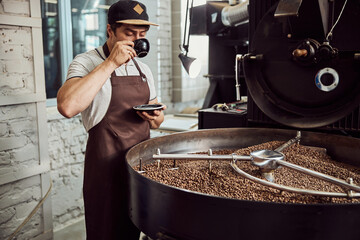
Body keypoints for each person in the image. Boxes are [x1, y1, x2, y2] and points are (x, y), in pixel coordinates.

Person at [57, 1, 165, 239]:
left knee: (136, 230)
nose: (136, 40)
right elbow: (67, 106)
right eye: (129, 33)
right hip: (105, 170)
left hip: (139, 168)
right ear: (110, 31)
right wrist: (110, 64)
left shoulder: (143, 70)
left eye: (142, 35)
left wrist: (154, 116)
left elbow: (158, 122)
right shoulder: (86, 62)